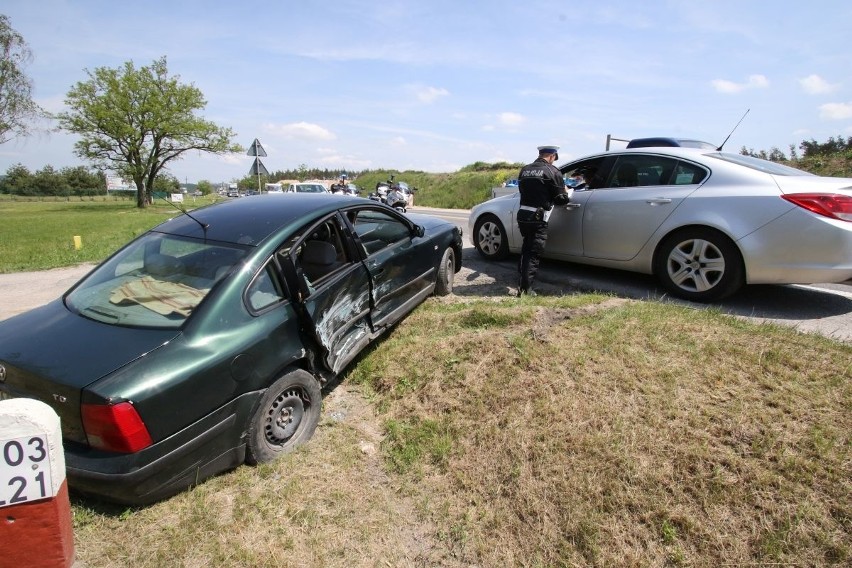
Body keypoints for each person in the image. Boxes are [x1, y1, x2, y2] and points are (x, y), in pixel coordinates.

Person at [516, 145, 572, 296]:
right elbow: (561, 200)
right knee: (532, 254)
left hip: (523, 216)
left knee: (526, 250)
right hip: (538, 218)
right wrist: (566, 192)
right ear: (552, 156)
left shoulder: (525, 170)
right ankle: (525, 291)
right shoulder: (552, 171)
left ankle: (522, 284)